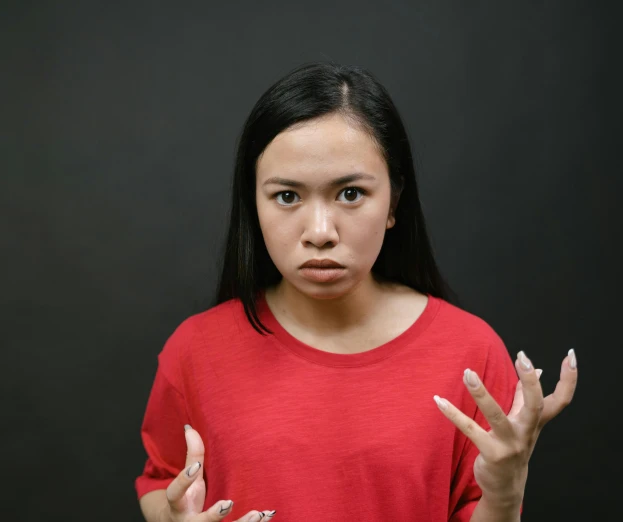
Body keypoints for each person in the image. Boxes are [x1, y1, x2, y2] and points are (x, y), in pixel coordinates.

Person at [134, 62, 578, 522]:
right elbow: (162, 481)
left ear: (394, 201)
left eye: (350, 193)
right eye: (287, 196)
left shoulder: (472, 354)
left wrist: (505, 493)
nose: (320, 232)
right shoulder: (195, 350)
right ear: (254, 204)